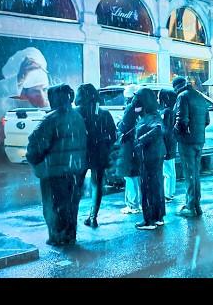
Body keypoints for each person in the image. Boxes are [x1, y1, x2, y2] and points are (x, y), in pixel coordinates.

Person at [26, 84, 86, 246]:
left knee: (54, 206)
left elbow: (35, 146)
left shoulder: (51, 119)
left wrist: (35, 160)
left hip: (54, 172)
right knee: (71, 205)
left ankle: (57, 237)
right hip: (75, 170)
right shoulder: (77, 117)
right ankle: (69, 235)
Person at [75, 83, 116, 228]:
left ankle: (72, 216)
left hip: (81, 155)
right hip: (99, 155)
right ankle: (93, 217)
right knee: (97, 185)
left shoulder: (76, 113)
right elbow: (113, 135)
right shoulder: (104, 113)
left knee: (76, 186)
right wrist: (105, 146)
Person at [172, 77, 210, 217]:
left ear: (176, 87)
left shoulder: (182, 97)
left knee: (189, 173)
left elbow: (181, 120)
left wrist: (175, 133)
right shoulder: (200, 96)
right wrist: (197, 131)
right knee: (195, 173)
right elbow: (207, 120)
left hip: (187, 141)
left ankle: (190, 206)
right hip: (199, 140)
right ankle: (196, 204)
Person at [133, 87, 166, 230]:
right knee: (156, 185)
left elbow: (158, 129)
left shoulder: (151, 116)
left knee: (147, 186)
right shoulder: (154, 113)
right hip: (156, 154)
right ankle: (158, 217)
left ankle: (149, 220)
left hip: (149, 155)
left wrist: (141, 139)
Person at [118, 84, 142, 214]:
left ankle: (133, 205)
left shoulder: (130, 108)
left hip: (129, 145)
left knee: (129, 175)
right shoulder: (142, 107)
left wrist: (119, 123)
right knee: (136, 175)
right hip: (138, 144)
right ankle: (138, 203)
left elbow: (124, 127)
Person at [158, 89, 177, 201]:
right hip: (172, 142)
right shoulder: (172, 110)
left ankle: (167, 194)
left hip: (166, 143)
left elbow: (164, 129)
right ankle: (171, 192)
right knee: (171, 169)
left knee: (167, 171)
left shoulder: (165, 112)